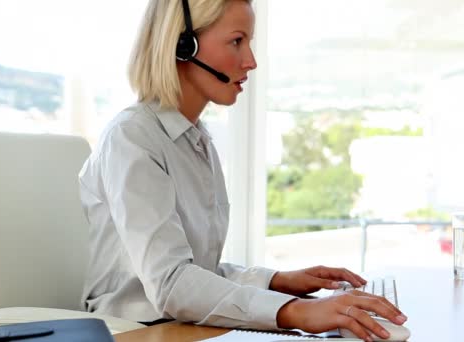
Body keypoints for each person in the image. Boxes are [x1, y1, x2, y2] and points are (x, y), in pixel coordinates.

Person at [78, 0, 407, 340]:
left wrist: (278, 281)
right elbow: (172, 283)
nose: (250, 61)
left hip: (182, 326)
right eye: (237, 41)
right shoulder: (132, 138)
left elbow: (197, 274)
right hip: (132, 333)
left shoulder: (196, 141)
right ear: (182, 45)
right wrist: (295, 311)